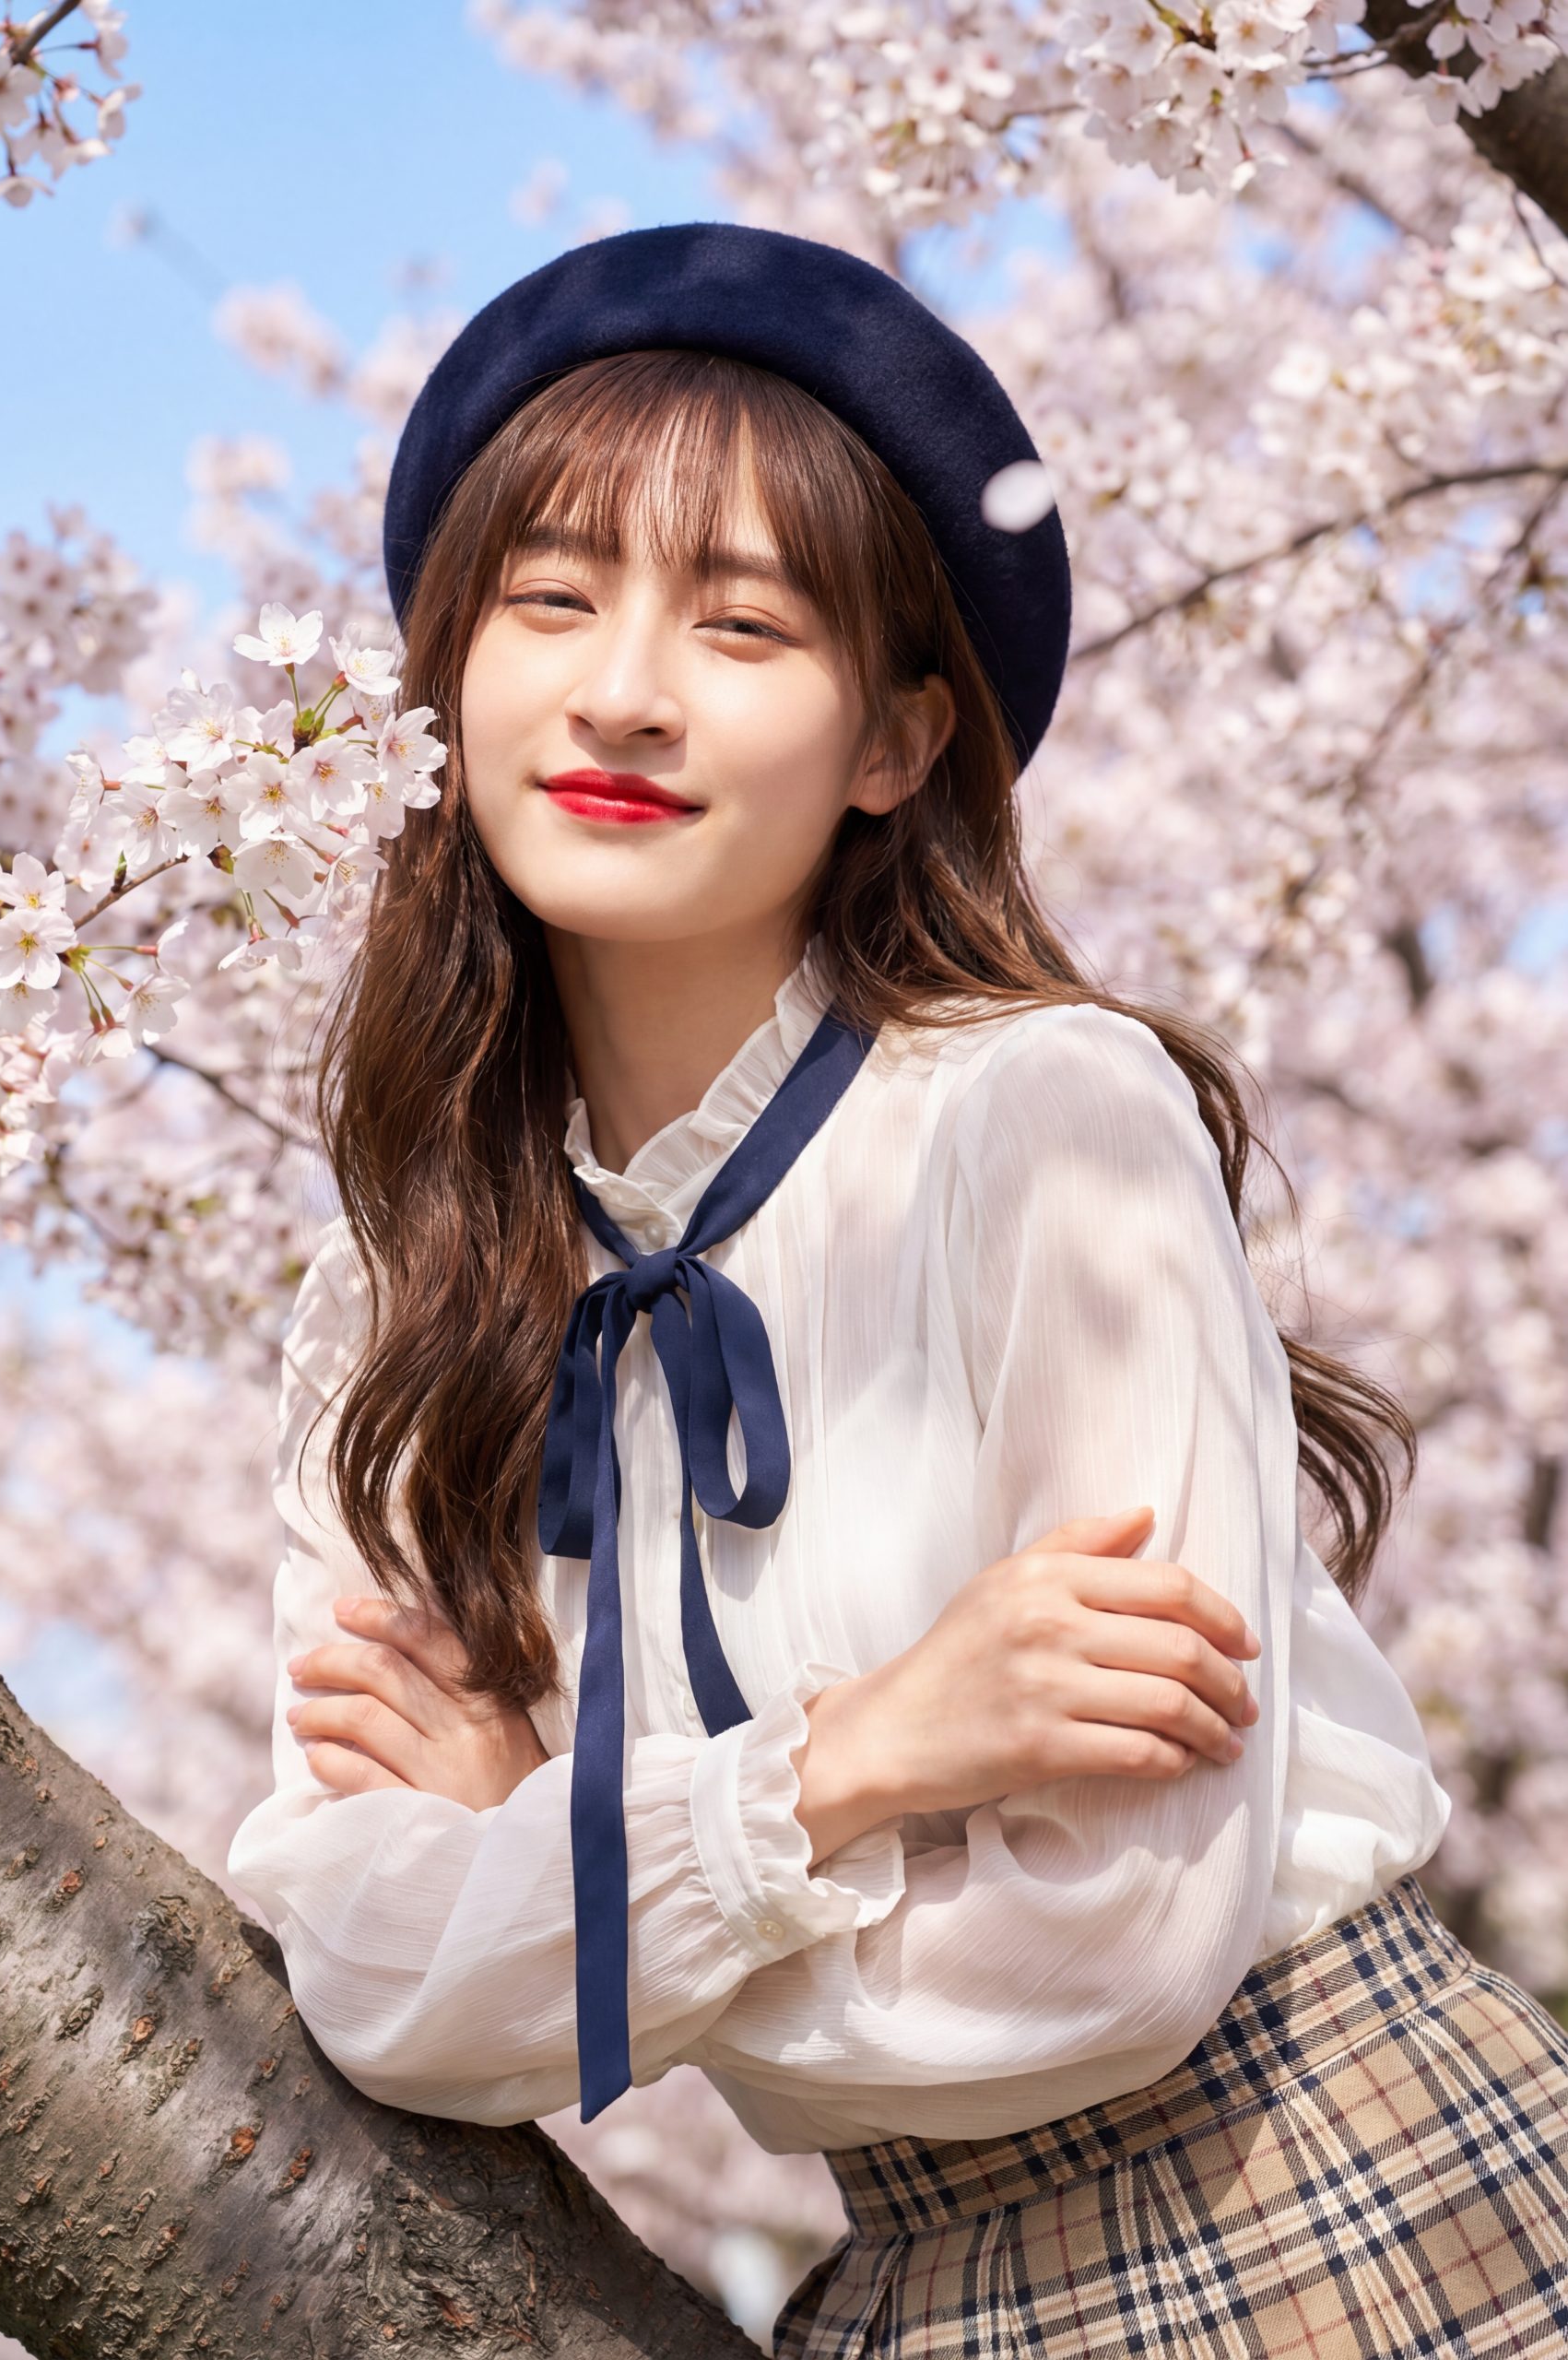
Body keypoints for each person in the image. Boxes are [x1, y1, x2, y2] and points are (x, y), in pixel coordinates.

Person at [226, 223, 1568, 2355]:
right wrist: (856, 1758)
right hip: (911, 2282)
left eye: (741, 622)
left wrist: (555, 1856)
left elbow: (1114, 1945)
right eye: (549, 598)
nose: (622, 691)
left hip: (1340, 2193)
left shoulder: (1039, 1118)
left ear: (895, 735)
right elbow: (370, 1985)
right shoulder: (384, 1319)